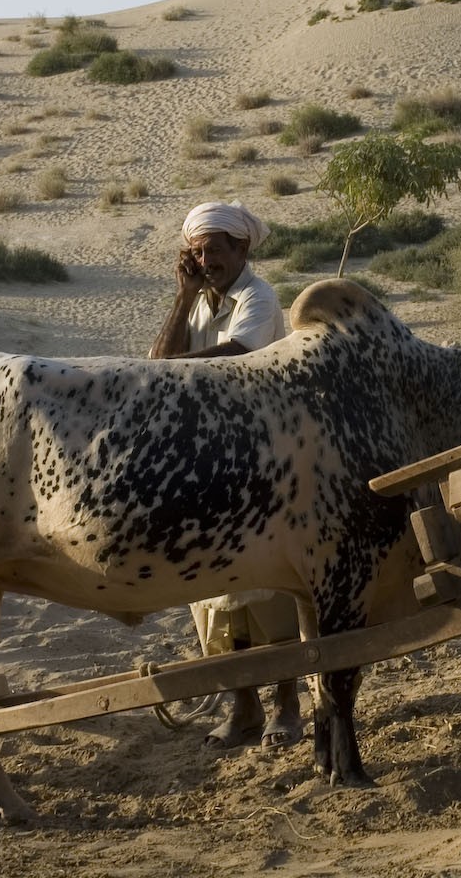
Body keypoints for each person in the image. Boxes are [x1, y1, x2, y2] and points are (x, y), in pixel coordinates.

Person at [149, 201, 303, 750]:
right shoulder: (196, 304)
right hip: (203, 463)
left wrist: (164, 372)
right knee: (213, 591)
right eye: (198, 250)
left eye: (216, 249)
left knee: (267, 590)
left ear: (242, 250)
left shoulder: (258, 299)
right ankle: (243, 710)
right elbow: (159, 357)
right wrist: (183, 296)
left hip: (255, 459)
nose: (206, 258)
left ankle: (287, 706)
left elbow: (233, 361)